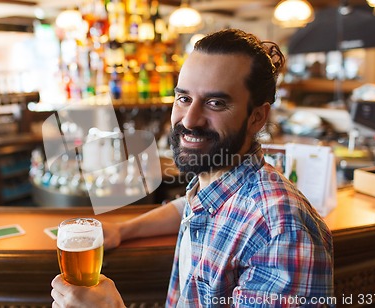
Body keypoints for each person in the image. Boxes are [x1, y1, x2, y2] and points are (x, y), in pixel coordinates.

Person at [51, 28, 334, 307]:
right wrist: (123, 230)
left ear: (257, 117)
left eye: (215, 103)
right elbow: (190, 208)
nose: (190, 120)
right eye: (184, 98)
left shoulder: (281, 228)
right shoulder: (216, 185)